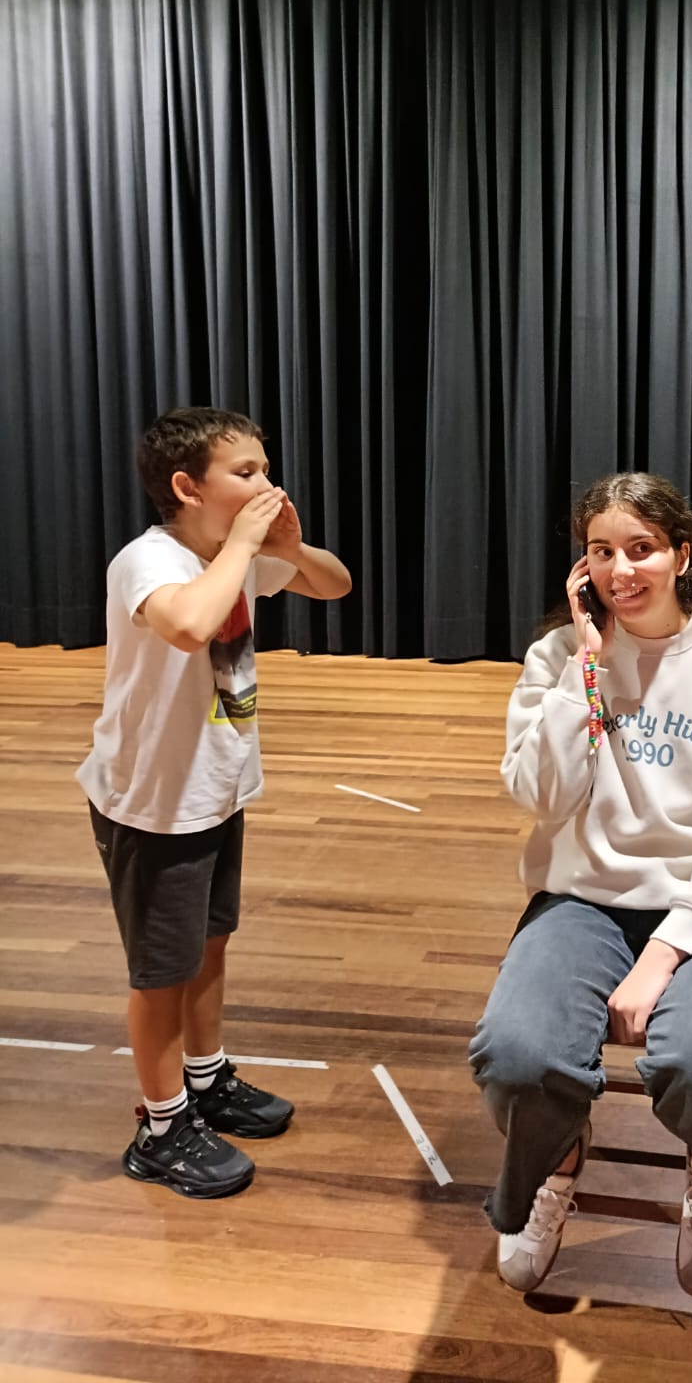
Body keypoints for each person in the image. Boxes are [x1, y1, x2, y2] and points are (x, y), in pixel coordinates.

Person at [469, 472, 692, 1297]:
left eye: (642, 548)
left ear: (682, 555)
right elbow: (541, 796)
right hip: (579, 900)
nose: (620, 570)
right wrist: (585, 668)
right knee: (515, 1058)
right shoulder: (559, 657)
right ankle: (557, 1158)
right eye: (601, 551)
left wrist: (662, 956)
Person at [77, 406, 352, 1198]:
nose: (266, 482)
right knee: (161, 971)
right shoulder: (149, 561)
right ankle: (161, 1128)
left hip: (214, 790)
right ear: (186, 488)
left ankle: (205, 1078)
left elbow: (334, 584)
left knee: (210, 944)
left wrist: (287, 548)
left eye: (265, 467)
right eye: (246, 472)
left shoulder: (233, 555)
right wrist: (242, 548)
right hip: (152, 804)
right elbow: (191, 625)